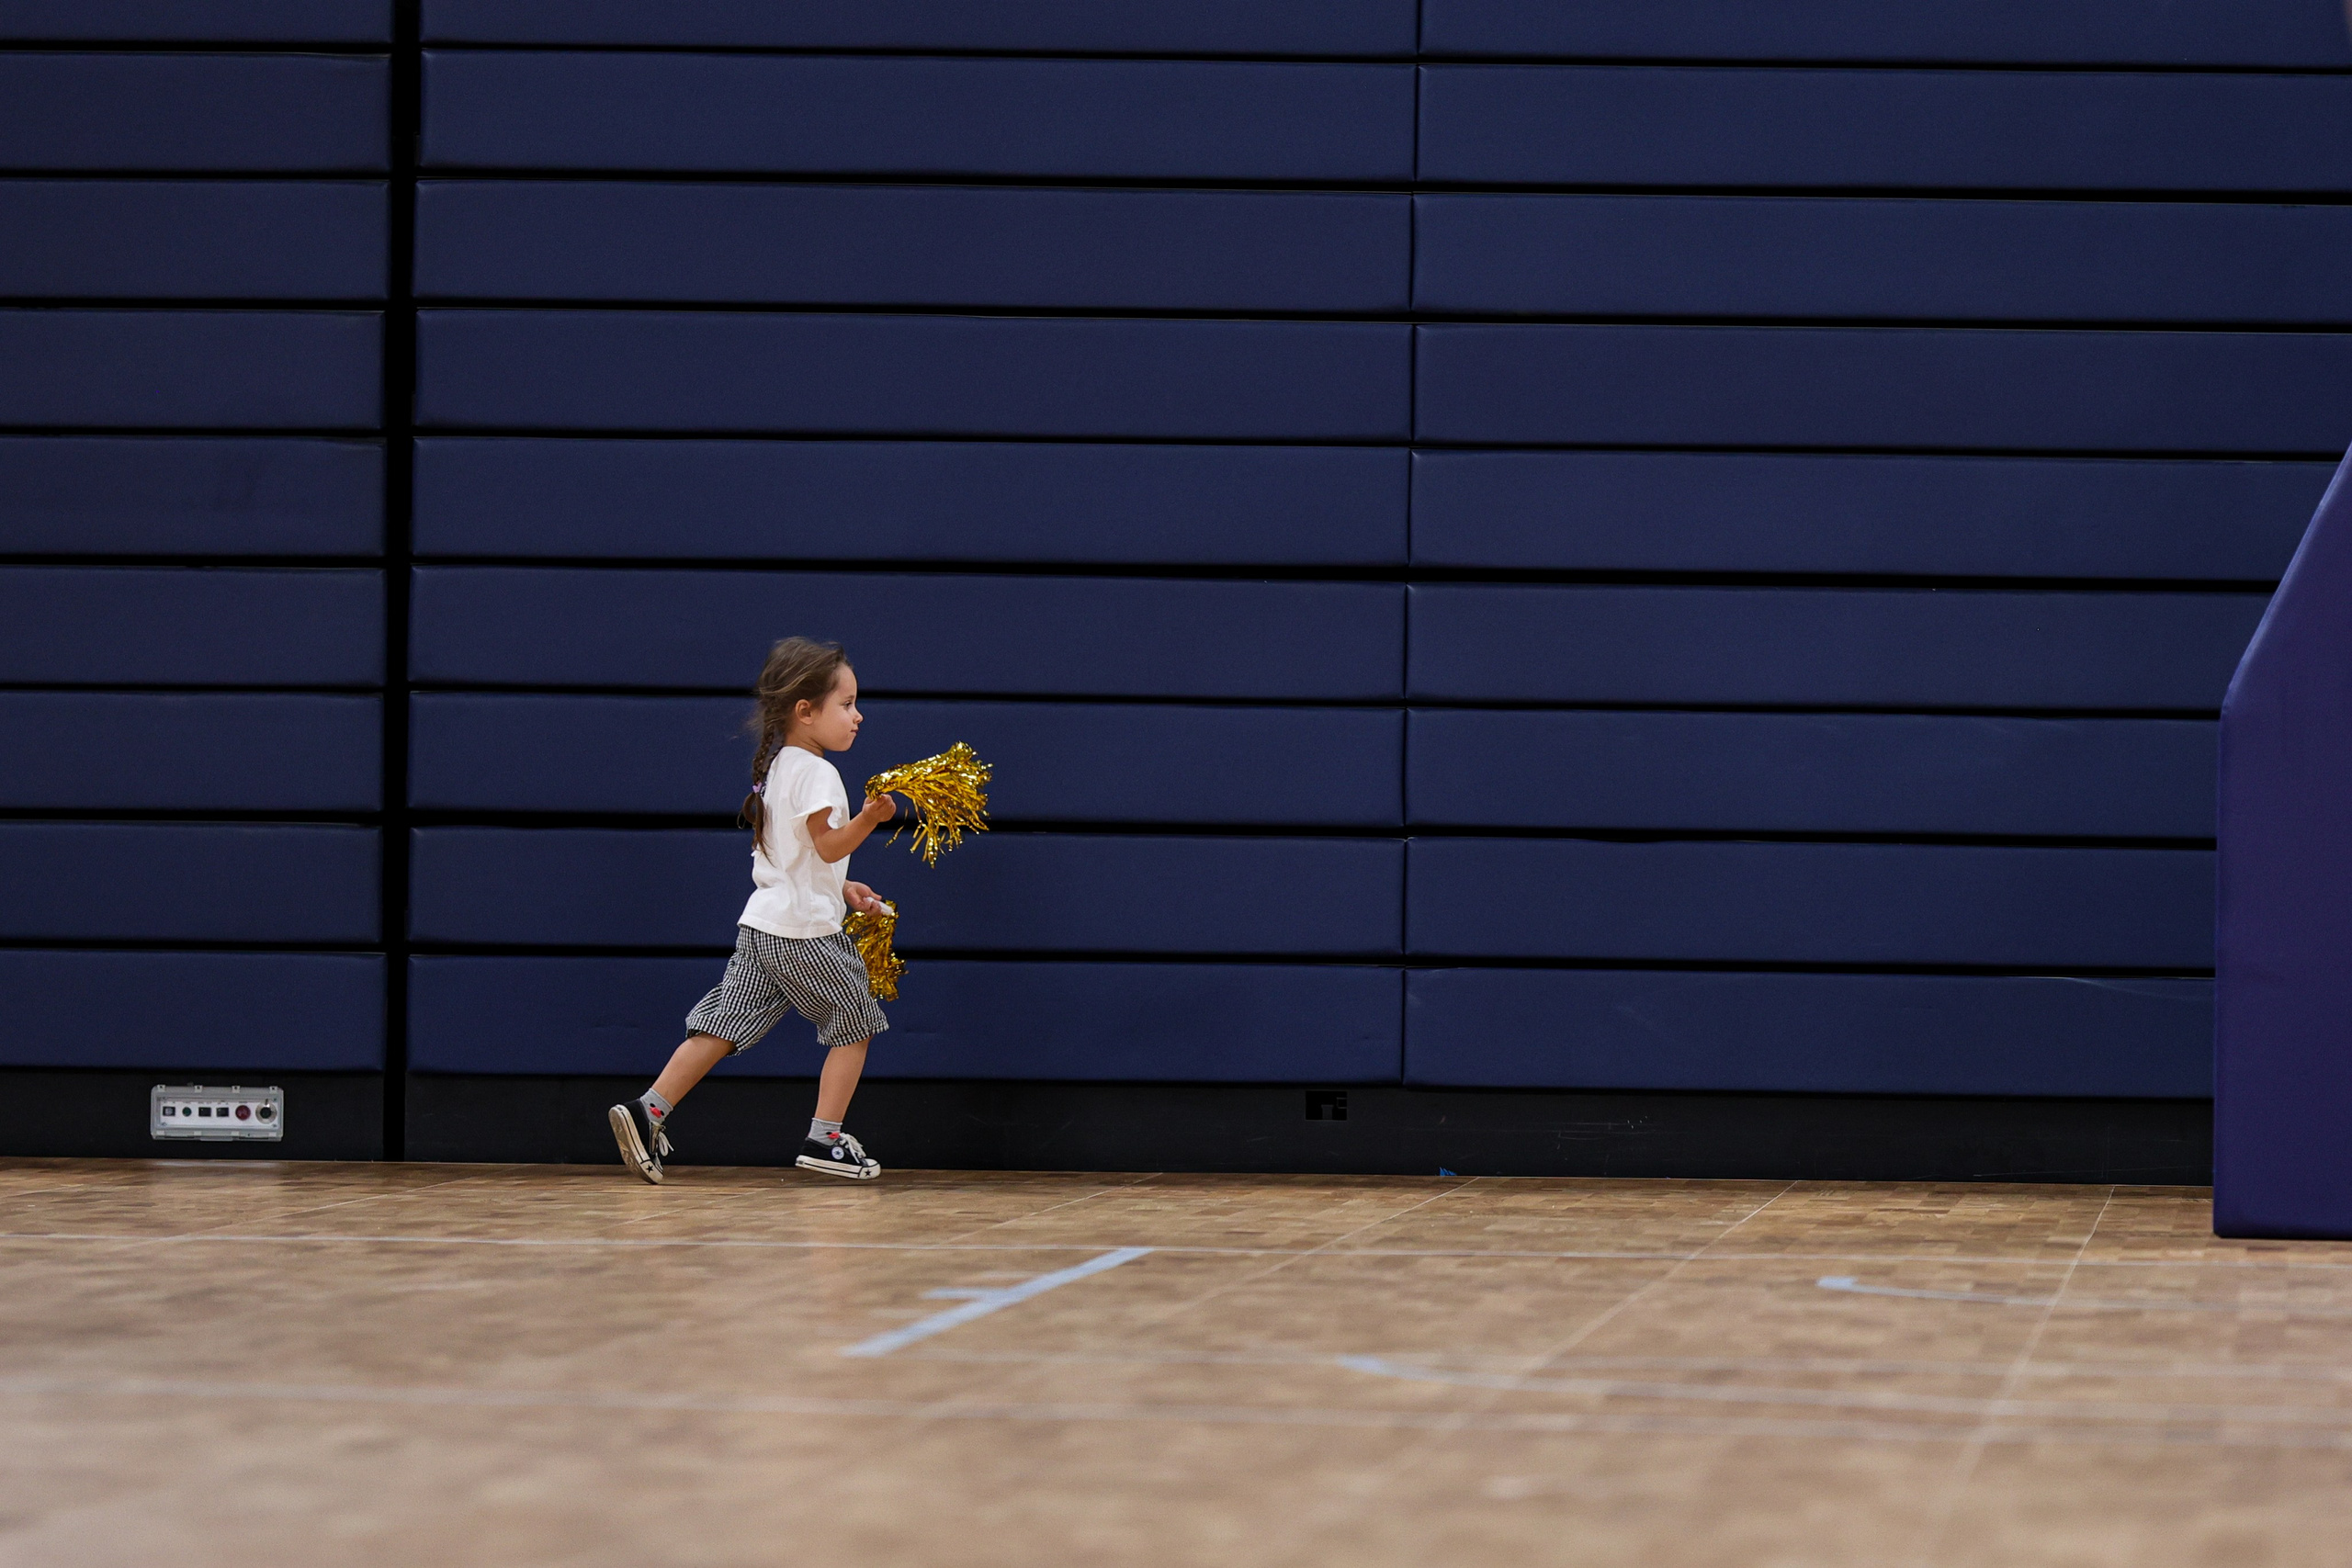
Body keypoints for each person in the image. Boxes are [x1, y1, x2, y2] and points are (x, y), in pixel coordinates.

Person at [608, 637, 899, 1183]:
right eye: (847, 704)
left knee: (720, 1024)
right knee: (855, 1023)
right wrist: (870, 818)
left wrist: (843, 888)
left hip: (761, 928)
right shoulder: (818, 772)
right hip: (804, 936)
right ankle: (826, 1136)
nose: (858, 717)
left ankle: (648, 1111)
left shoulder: (780, 766)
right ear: (804, 711)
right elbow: (830, 845)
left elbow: (801, 859)